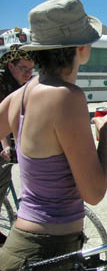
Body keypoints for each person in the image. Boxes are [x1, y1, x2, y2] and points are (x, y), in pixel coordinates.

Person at [0, 0, 107, 270]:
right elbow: (94, 192)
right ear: (80, 47)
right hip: (47, 253)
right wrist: (106, 137)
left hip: (21, 245)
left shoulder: (25, 91)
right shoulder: (67, 97)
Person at [0, 44, 34, 245]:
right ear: (11, 66)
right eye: (24, 69)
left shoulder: (27, 85)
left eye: (32, 69)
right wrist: (5, 145)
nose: (29, 73)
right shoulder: (1, 82)